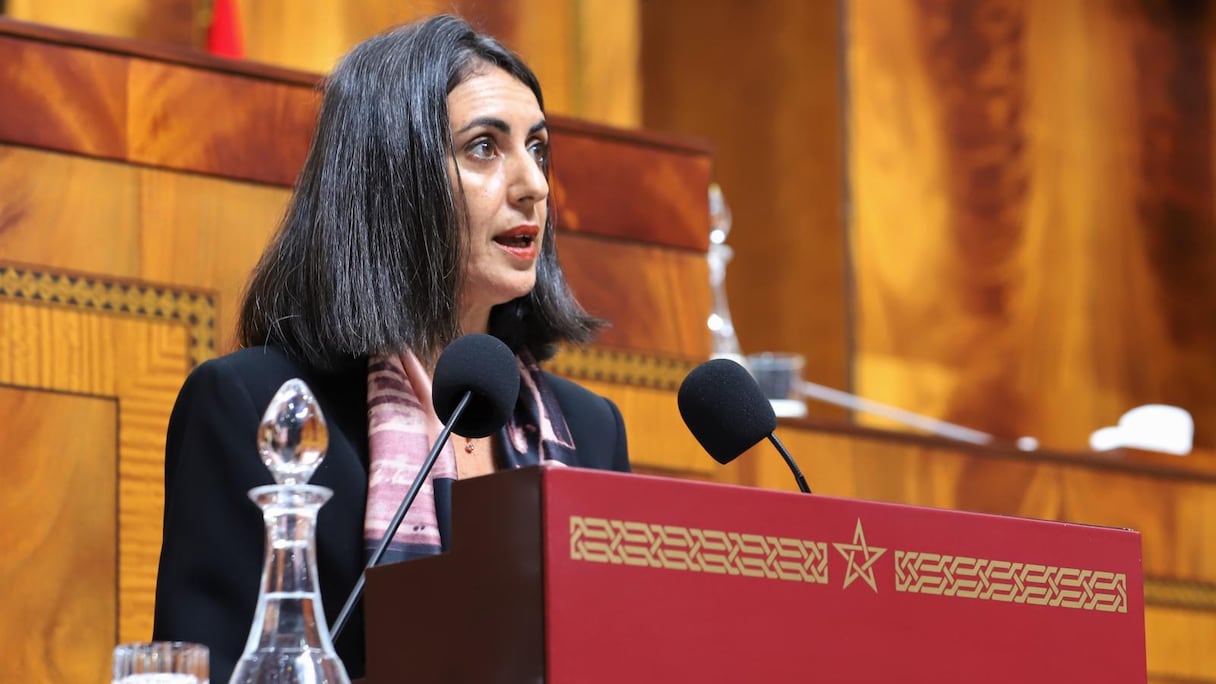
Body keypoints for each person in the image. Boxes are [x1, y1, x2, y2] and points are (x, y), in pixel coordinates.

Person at [151, 14, 630, 682]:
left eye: (538, 149)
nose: (534, 185)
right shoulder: (254, 405)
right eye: (486, 148)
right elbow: (212, 663)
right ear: (391, 179)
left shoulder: (588, 433)